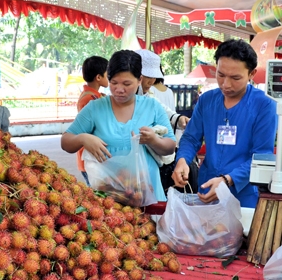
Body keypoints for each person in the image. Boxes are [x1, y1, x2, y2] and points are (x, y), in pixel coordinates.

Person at [172, 39, 277, 208]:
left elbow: (261, 156)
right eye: (220, 75)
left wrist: (228, 180)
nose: (226, 84)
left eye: (235, 78)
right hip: (207, 189)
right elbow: (191, 138)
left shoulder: (264, 105)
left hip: (243, 195)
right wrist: (183, 160)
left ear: (252, 74)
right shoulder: (207, 100)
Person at [61, 50, 176, 201]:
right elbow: (66, 141)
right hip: (107, 202)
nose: (119, 89)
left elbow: (170, 146)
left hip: (147, 195)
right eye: (113, 83)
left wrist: (154, 140)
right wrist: (83, 138)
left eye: (127, 84)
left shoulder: (152, 106)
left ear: (139, 80)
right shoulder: (95, 108)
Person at [134, 49, 189, 130]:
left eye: (154, 77)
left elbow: (164, 111)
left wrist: (180, 119)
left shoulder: (148, 97)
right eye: (148, 76)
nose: (151, 82)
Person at [76, 56, 109, 186]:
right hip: (90, 157)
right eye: (108, 74)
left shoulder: (95, 96)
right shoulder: (90, 99)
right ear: (99, 77)